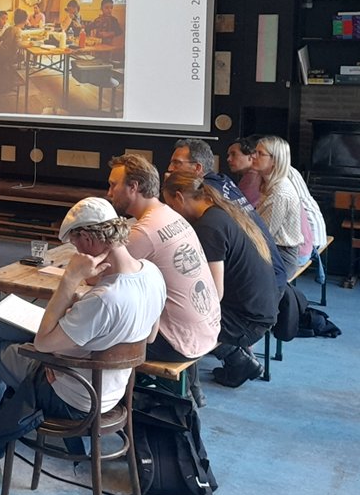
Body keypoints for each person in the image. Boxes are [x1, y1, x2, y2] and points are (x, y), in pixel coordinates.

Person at [0, 197, 165, 482]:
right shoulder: (152, 273)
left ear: (89, 239)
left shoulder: (104, 300)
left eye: (75, 245)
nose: (76, 252)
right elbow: (150, 334)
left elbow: (44, 343)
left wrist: (69, 280)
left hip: (72, 393)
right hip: (109, 387)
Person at [162, 171, 279, 387]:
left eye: (170, 205)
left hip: (247, 321)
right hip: (263, 309)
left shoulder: (208, 226)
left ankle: (189, 391)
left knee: (177, 320)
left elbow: (214, 294)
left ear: (179, 197)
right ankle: (237, 360)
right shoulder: (222, 211)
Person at [106, 153, 220, 370]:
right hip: (206, 330)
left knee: (92, 330)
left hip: (175, 343)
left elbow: (100, 277)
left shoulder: (145, 231)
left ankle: (99, 397)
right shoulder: (171, 215)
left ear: (134, 187)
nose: (109, 192)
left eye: (113, 185)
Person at [166, 137, 286, 293]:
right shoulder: (222, 181)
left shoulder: (205, 194)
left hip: (262, 287)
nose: (170, 168)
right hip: (271, 276)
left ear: (197, 168)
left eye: (177, 163)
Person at [250, 136, 305, 278]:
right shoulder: (268, 183)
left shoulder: (280, 194)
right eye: (255, 151)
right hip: (272, 250)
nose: (253, 156)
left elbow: (264, 235)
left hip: (281, 257)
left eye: (260, 154)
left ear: (275, 160)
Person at [227, 136, 263, 208]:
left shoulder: (253, 175)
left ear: (251, 156)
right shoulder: (250, 175)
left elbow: (239, 207)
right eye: (228, 155)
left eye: (234, 154)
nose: (228, 159)